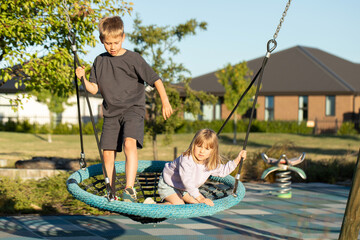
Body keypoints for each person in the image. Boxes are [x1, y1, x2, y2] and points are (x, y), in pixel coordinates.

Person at [75, 16, 173, 202]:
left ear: (123, 37)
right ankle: (110, 190)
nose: (112, 47)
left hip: (132, 109)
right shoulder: (100, 61)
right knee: (107, 152)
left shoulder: (133, 58)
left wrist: (165, 101)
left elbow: (156, 80)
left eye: (116, 42)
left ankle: (129, 188)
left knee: (129, 143)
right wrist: (83, 79)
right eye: (108, 43)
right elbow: (94, 89)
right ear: (101, 41)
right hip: (111, 112)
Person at [155, 128, 246, 206]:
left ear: (212, 151)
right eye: (199, 146)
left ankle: (158, 204)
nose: (202, 151)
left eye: (207, 149)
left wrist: (237, 160)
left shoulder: (209, 163)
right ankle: (152, 206)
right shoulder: (186, 159)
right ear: (193, 145)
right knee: (180, 205)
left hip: (184, 188)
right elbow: (187, 181)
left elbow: (222, 171)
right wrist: (201, 198)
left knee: (197, 204)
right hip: (169, 184)